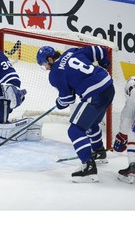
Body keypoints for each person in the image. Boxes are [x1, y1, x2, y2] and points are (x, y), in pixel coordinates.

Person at [36, 45, 115, 183]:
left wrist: (59, 102)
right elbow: (100, 51)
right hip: (109, 87)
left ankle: (88, 165)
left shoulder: (54, 74)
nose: (46, 68)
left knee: (75, 130)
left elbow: (67, 99)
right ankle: (99, 152)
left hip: (94, 95)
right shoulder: (72, 51)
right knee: (91, 123)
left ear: (50, 59)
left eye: (45, 64)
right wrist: (105, 65)